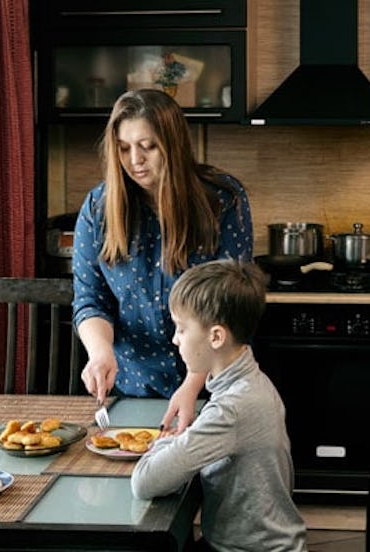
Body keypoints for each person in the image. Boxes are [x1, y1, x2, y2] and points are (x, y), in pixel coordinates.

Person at [72, 89, 253, 434]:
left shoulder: (222, 200)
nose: (135, 159)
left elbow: (227, 303)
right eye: (124, 148)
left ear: (173, 143)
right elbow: (91, 299)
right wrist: (100, 353)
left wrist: (193, 384)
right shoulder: (98, 208)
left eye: (148, 146)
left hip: (214, 388)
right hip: (133, 391)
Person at [131, 259, 308, 552]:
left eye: (181, 329)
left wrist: (165, 443)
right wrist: (183, 441)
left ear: (216, 336)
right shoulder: (252, 382)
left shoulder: (232, 409)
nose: (175, 339)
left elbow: (145, 481)